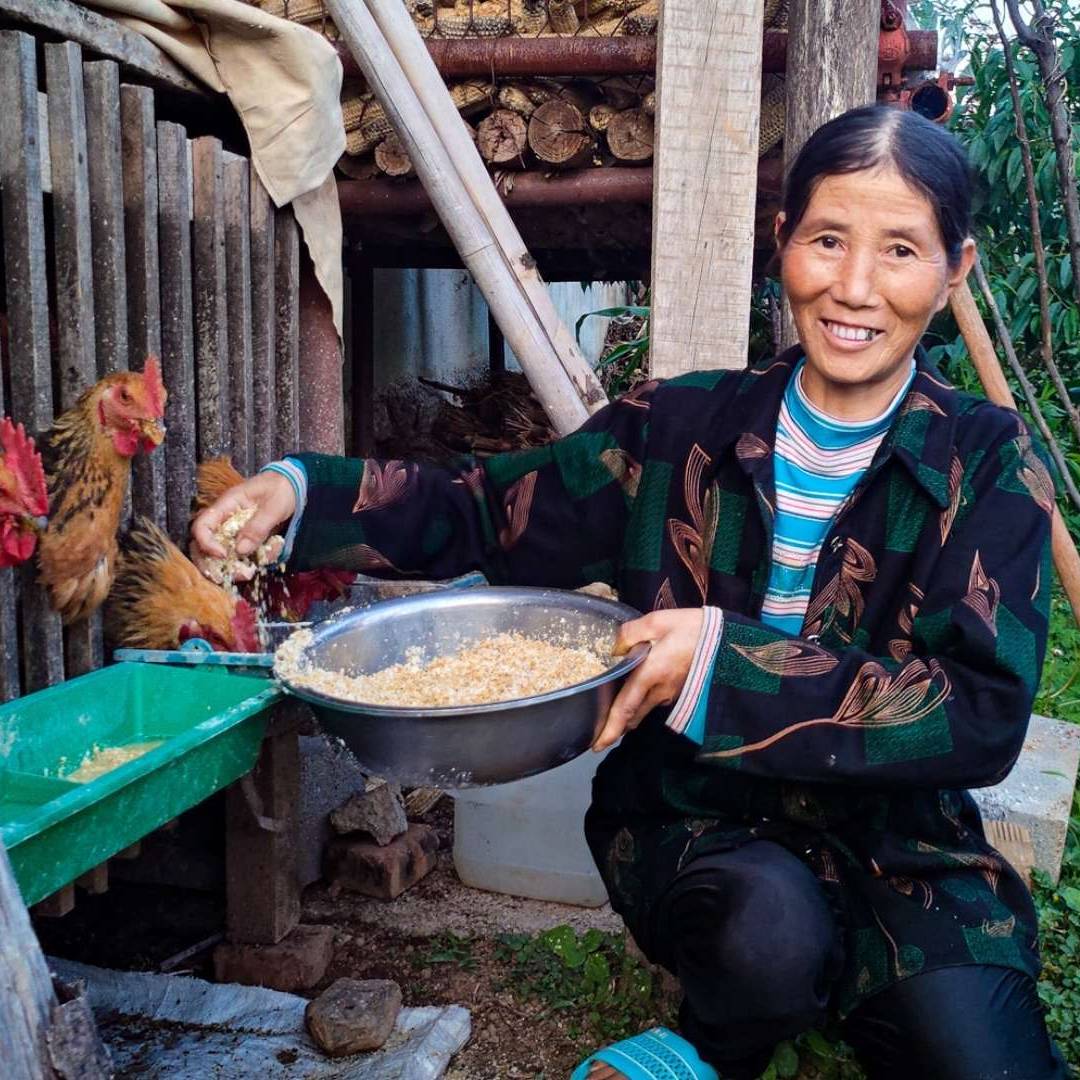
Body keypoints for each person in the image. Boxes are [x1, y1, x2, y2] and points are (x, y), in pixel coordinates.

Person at [193, 105, 1068, 1079]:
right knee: (765, 942)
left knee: (981, 1061)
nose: (855, 286)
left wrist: (720, 663)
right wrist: (307, 492)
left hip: (902, 843)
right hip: (698, 814)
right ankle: (714, 1038)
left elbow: (979, 715)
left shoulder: (982, 461)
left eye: (900, 250)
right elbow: (489, 512)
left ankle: (841, 998)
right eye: (828, 239)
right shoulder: (676, 430)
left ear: (956, 270)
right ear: (783, 243)